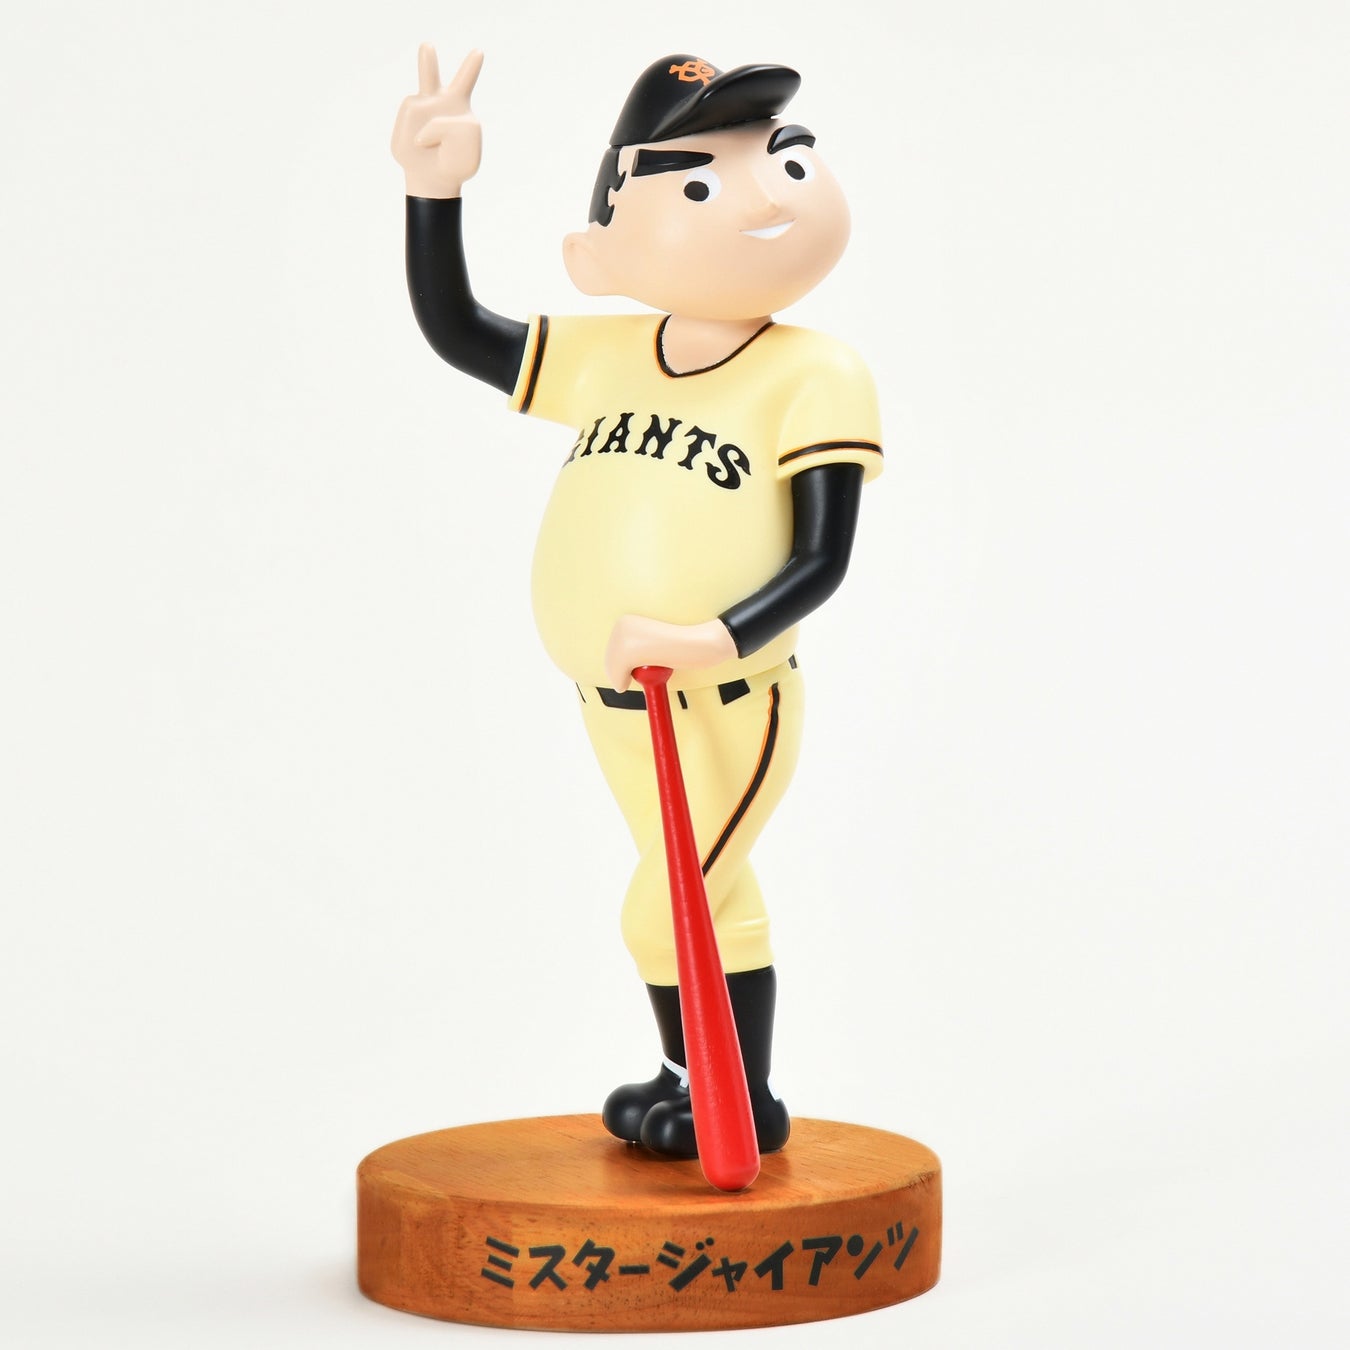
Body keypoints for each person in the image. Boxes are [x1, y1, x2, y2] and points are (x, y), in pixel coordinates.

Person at [391, 47, 883, 1158]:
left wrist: (709, 637)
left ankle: (735, 1098)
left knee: (670, 899)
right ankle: (697, 1082)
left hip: (728, 702)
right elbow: (458, 329)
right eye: (700, 183)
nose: (762, 197)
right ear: (598, 255)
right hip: (613, 707)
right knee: (706, 897)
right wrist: (432, 193)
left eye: (786, 159)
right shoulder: (612, 353)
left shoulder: (817, 374)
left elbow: (823, 561)